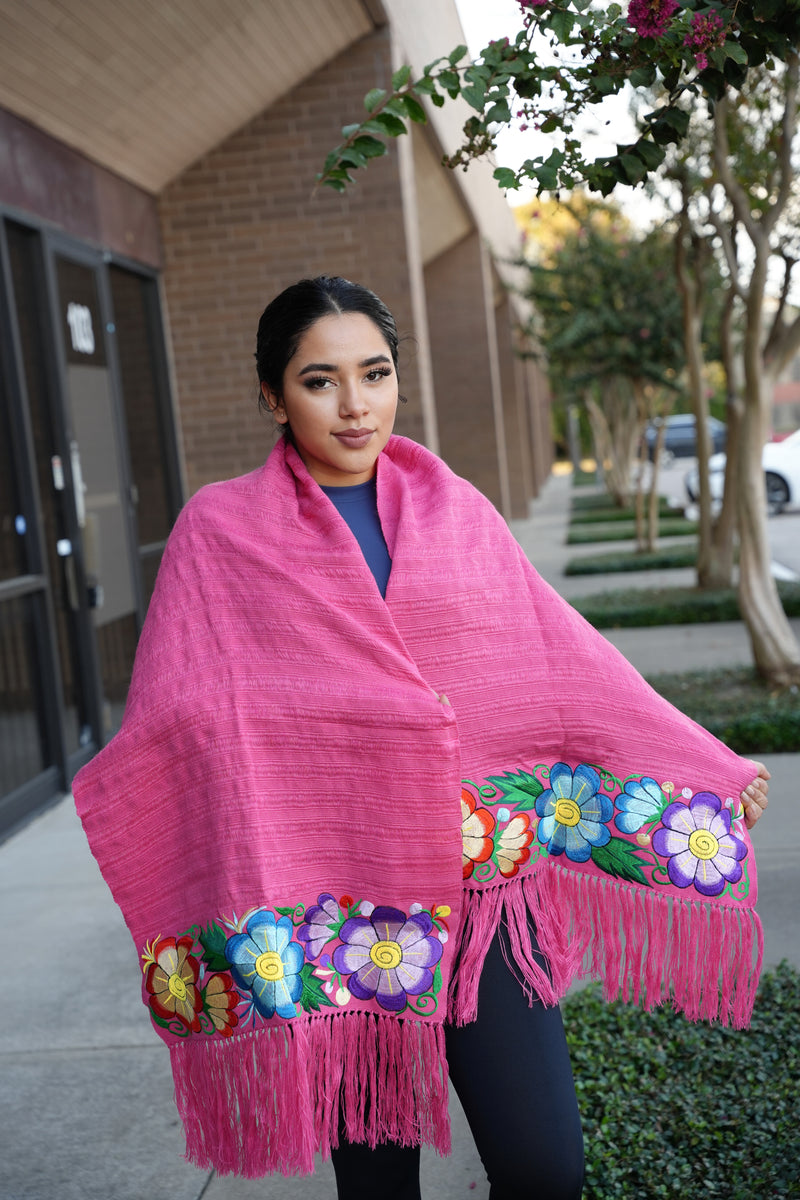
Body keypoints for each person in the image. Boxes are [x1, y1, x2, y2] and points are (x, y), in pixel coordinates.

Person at [73, 276, 769, 1200]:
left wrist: (700, 765)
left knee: (546, 1169)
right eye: (320, 381)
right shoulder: (221, 531)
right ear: (273, 397)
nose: (355, 405)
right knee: (377, 1190)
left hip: (483, 898)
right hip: (337, 909)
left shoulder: (456, 509)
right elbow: (189, 704)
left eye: (375, 373)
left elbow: (556, 654)